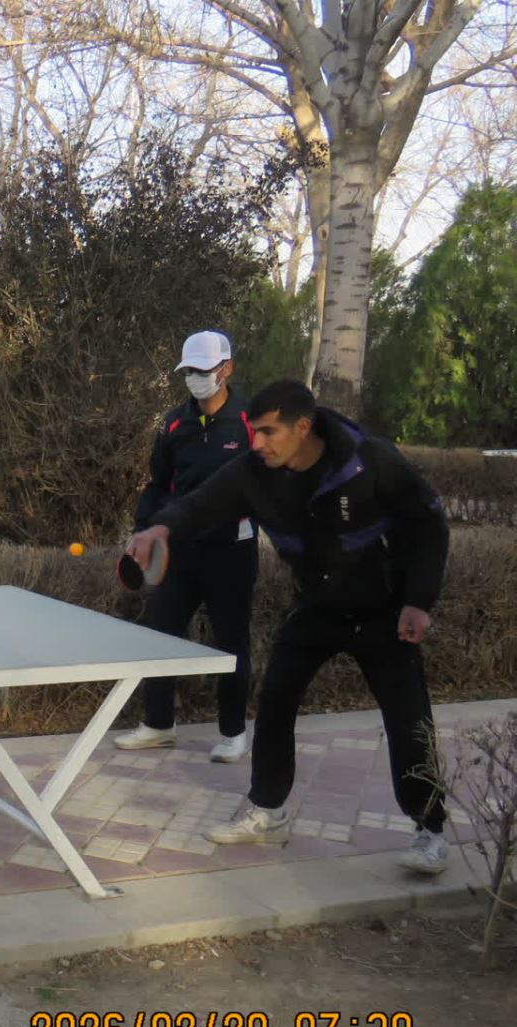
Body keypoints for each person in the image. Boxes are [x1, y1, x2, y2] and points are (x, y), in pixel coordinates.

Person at [128, 379, 451, 874]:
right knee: (275, 700)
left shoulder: (371, 461)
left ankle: (431, 831)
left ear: (303, 427)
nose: (256, 443)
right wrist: (160, 528)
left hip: (384, 611)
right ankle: (267, 809)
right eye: (253, 432)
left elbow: (428, 524)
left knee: (408, 720)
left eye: (267, 432)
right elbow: (200, 504)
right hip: (317, 607)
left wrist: (418, 601)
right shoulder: (253, 474)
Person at [112, 330, 258, 763]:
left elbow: (266, 483)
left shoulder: (250, 421)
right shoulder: (174, 423)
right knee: (160, 637)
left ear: (227, 369)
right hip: (179, 553)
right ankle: (159, 725)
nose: (195, 377)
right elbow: (158, 485)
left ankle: (233, 733)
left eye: (203, 369)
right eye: (189, 370)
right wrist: (143, 530)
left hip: (232, 553)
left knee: (231, 645)